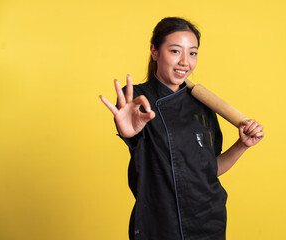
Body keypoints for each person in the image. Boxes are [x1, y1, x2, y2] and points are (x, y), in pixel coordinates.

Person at [99, 17, 264, 240]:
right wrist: (130, 132)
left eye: (192, 53)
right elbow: (132, 128)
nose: (185, 62)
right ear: (155, 52)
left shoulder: (204, 106)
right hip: (159, 226)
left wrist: (241, 145)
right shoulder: (138, 101)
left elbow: (209, 170)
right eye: (175, 51)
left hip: (208, 223)